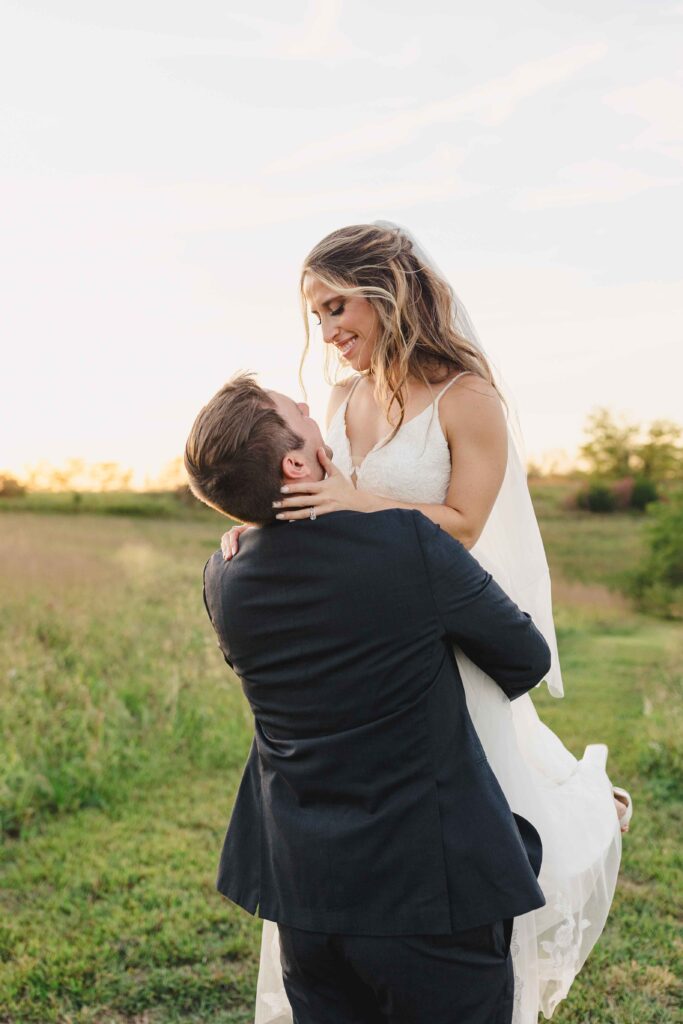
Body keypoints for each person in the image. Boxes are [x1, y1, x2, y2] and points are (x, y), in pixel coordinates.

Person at [224, 223, 631, 1024]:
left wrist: (357, 501)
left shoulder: (465, 397)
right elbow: (307, 499)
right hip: (360, 649)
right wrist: (252, 526)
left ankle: (576, 832)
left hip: (445, 635)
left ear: (389, 290)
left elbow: (464, 524)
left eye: (337, 305)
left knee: (467, 837)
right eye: (316, 315)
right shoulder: (340, 400)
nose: (328, 329)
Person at [185, 373, 553, 1024]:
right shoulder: (406, 543)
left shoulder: (223, 574)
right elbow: (524, 657)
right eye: (293, 410)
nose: (308, 404)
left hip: (305, 895)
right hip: (427, 892)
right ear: (296, 463)